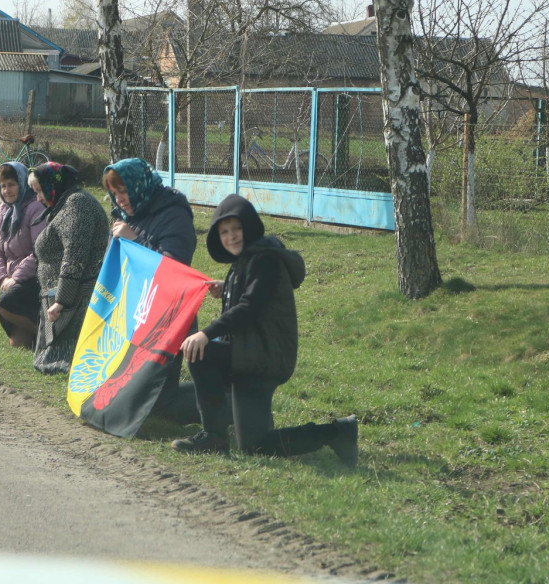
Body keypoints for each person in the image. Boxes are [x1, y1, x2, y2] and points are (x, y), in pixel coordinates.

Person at [172, 194, 358, 465]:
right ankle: (337, 432)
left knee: (201, 351)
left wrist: (206, 332)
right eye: (224, 232)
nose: (231, 236)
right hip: (252, 355)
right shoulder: (248, 260)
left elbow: (250, 308)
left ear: (249, 227)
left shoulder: (265, 259)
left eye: (236, 229)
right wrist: (227, 290)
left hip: (263, 358)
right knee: (255, 446)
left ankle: (214, 436)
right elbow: (253, 296)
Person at [102, 157, 199, 424]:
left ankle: (227, 401)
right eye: (114, 192)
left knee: (156, 408)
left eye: (124, 190)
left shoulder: (173, 213)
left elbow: (174, 268)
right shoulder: (126, 216)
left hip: (168, 319)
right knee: (124, 397)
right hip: (134, 317)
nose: (120, 199)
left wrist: (135, 240)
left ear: (138, 185)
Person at [28, 161, 109, 373]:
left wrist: (61, 302)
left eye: (39, 191)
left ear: (51, 185)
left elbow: (75, 256)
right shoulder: (65, 203)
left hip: (76, 299)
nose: (38, 198)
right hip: (60, 297)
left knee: (56, 363)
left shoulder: (77, 205)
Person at [0, 162, 46, 348]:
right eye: (3, 186)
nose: (7, 190)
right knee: (18, 344)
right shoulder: (2, 211)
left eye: (11, 184)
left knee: (4, 303)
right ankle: (37, 335)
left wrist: (16, 278)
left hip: (33, 278)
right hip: (10, 280)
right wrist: (2, 278)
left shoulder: (35, 208)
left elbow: (40, 250)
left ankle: (46, 336)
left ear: (21, 184)